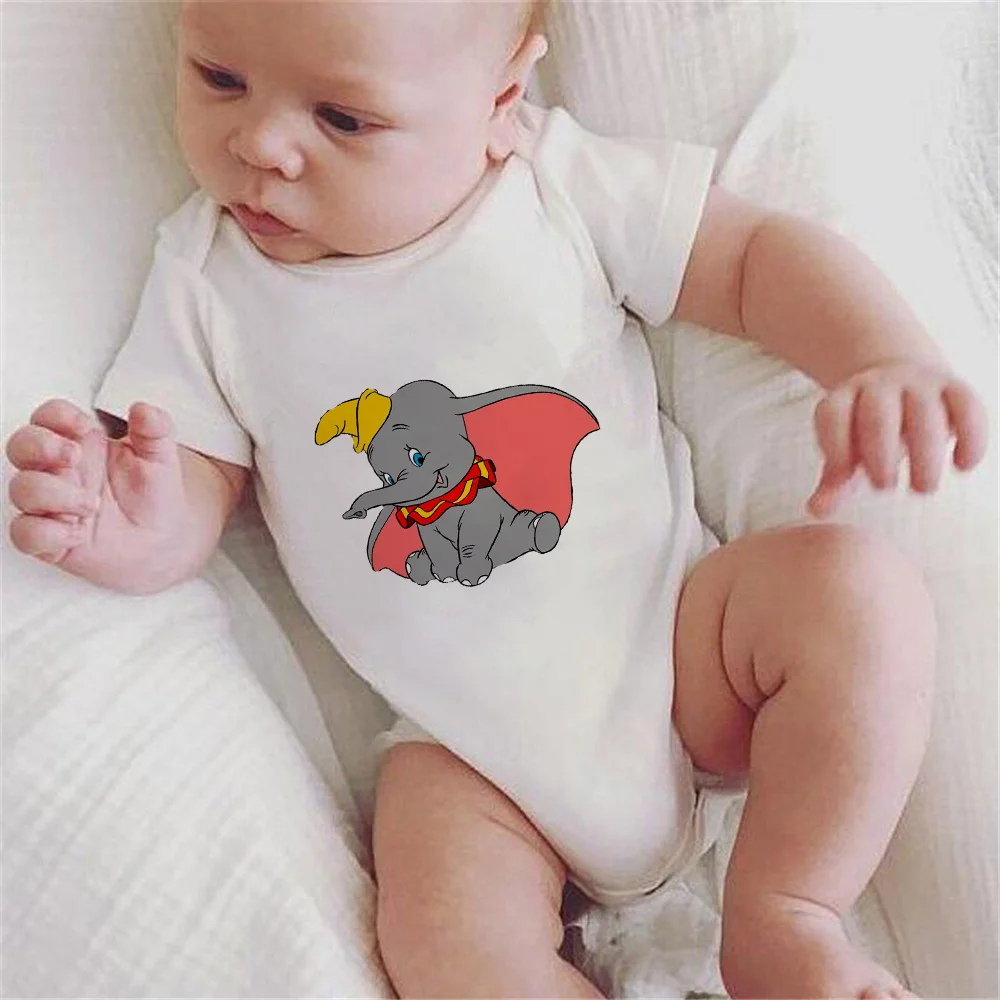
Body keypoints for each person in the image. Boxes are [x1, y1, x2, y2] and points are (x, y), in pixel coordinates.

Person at [5, 2, 988, 996]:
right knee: (442, 942)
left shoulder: (551, 186)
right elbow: (196, 484)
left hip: (680, 642)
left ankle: (786, 911)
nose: (259, 143)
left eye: (344, 118)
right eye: (219, 78)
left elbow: (748, 260)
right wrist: (124, 518)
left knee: (857, 596)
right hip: (468, 757)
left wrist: (877, 357)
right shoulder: (207, 280)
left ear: (501, 98)